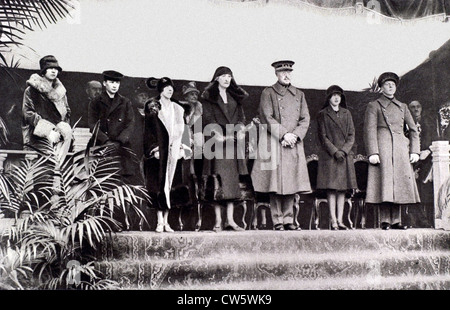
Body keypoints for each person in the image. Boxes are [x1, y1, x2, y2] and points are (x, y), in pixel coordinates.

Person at [250, 60, 311, 231]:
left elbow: (305, 118)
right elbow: (266, 116)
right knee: (275, 184)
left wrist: (295, 136)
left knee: (291, 181)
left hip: (293, 144)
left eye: (289, 72)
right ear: (276, 74)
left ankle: (289, 219)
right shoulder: (268, 93)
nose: (286, 75)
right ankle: (277, 220)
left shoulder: (299, 94)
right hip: (275, 143)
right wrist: (284, 134)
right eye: (282, 72)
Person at [364, 72, 420, 230]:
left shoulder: (403, 107)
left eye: (393, 84)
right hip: (383, 147)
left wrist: (415, 151)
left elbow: (413, 130)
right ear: (381, 88)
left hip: (400, 148)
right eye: (387, 84)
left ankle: (396, 220)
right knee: (385, 182)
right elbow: (369, 130)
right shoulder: (374, 105)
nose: (390, 87)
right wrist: (373, 152)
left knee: (399, 183)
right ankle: (385, 220)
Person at [201, 66, 249, 232]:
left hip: (233, 144)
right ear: (216, 79)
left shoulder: (235, 97)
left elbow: (241, 118)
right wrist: (219, 134)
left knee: (231, 183)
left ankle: (230, 220)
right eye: (223, 76)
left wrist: (241, 129)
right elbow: (207, 119)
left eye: (229, 76)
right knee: (218, 182)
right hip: (217, 145)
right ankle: (218, 221)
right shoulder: (208, 98)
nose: (227, 79)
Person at [143, 77, 192, 233]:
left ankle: (167, 221)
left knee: (171, 185)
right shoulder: (153, 107)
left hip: (174, 150)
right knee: (159, 185)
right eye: (166, 87)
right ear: (160, 90)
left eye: (171, 87)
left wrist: (183, 148)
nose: (170, 89)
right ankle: (159, 221)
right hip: (160, 151)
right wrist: (154, 149)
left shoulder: (178, 109)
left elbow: (183, 130)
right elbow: (149, 131)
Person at [316, 85, 357, 230]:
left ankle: (340, 221)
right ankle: (333, 221)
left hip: (344, 157)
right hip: (330, 157)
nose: (336, 98)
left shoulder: (347, 113)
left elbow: (351, 135)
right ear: (329, 98)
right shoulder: (323, 114)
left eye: (338, 95)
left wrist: (344, 151)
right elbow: (323, 137)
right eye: (333, 95)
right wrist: (335, 152)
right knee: (331, 189)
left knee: (342, 189)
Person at [87, 70, 136, 182]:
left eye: (117, 83)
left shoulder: (125, 102)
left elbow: (130, 124)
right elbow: (92, 124)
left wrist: (119, 141)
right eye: (111, 82)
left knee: (123, 181)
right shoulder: (95, 102)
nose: (114, 85)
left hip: (121, 146)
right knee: (98, 181)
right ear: (105, 83)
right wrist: (106, 141)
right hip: (100, 145)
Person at [22, 55, 72, 163]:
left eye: (56, 69)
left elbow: (67, 111)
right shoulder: (31, 90)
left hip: (59, 136)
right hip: (38, 135)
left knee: (57, 170)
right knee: (42, 171)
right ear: (43, 71)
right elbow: (28, 113)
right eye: (50, 68)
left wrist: (61, 130)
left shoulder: (61, 92)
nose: (54, 71)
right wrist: (49, 131)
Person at [179, 81, 204, 177]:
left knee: (199, 153)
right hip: (183, 133)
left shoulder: (198, 107)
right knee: (186, 157)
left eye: (196, 94)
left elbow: (198, 125)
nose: (194, 96)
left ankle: (197, 179)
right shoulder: (181, 107)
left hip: (193, 132)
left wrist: (199, 141)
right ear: (186, 97)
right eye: (191, 94)